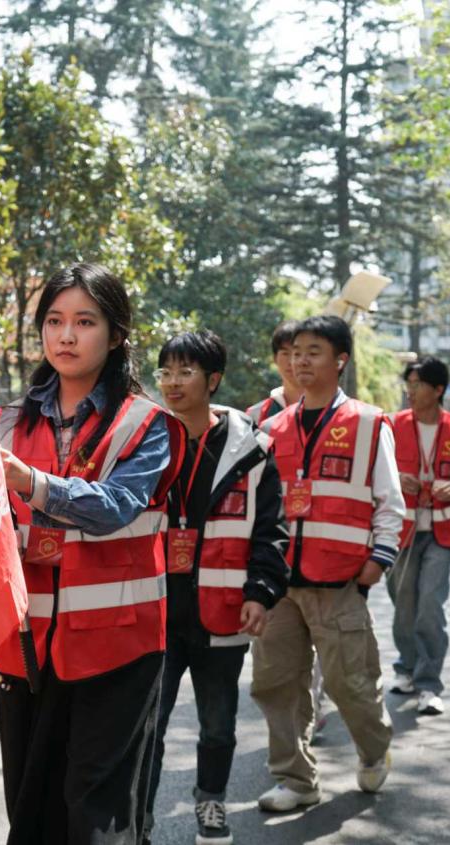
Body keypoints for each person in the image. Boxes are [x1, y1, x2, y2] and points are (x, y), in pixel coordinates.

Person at [0, 263, 184, 845]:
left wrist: (31, 483)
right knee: (30, 806)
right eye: (54, 321)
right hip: (26, 644)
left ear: (117, 333)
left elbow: (115, 507)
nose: (66, 336)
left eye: (84, 322)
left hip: (117, 646)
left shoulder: (147, 424)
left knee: (96, 810)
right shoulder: (4, 422)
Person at [251, 315, 404, 811]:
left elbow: (391, 503)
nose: (300, 361)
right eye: (295, 351)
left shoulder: (368, 423)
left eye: (313, 351)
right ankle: (296, 780)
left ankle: (374, 750)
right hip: (279, 584)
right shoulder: (271, 428)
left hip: (339, 580)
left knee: (350, 684)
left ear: (340, 360)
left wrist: (377, 562)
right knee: (277, 684)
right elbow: (259, 507)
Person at [145, 331, 290, 845]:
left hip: (222, 608)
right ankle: (139, 817)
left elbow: (271, 529)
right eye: (165, 372)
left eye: (185, 372)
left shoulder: (251, 449)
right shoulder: (144, 442)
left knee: (218, 724)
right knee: (148, 725)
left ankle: (211, 802)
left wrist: (260, 592)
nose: (173, 383)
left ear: (213, 380)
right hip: (156, 610)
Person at [244, 318, 330, 733]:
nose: (294, 361)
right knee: (281, 652)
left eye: (305, 352)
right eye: (286, 353)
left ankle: (314, 707)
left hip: (324, 553)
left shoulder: (339, 413)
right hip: (274, 554)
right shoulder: (256, 416)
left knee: (324, 647)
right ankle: (295, 733)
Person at [386, 357, 450, 717]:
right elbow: (377, 471)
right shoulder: (391, 425)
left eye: (418, 384)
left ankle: (429, 684)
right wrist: (398, 479)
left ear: (438, 389)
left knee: (430, 604)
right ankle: (406, 667)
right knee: (404, 603)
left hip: (442, 531)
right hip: (402, 530)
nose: (410, 391)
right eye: (408, 384)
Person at [245, 320, 302, 425]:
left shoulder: (328, 410)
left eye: (297, 353)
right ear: (275, 358)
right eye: (285, 353)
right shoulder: (256, 415)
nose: (291, 361)